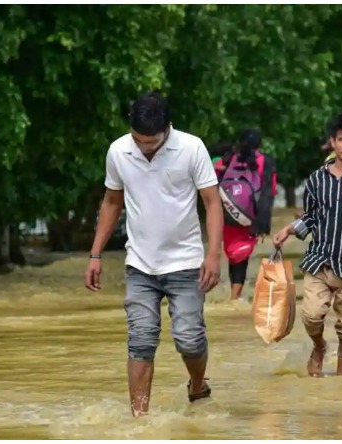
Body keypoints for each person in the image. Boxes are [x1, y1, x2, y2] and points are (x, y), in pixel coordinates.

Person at [85, 91, 223, 416]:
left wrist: (213, 254)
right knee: (141, 340)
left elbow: (212, 202)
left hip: (187, 263)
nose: (144, 147)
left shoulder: (191, 148)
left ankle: (198, 384)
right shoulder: (119, 151)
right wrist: (95, 254)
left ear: (168, 128)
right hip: (140, 264)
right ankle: (140, 421)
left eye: (152, 142)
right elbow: (112, 202)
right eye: (138, 140)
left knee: (189, 339)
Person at [272, 112, 342, 377]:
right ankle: (319, 346)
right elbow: (311, 217)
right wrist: (289, 229)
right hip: (320, 260)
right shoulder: (316, 179)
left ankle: (340, 384)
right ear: (332, 141)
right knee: (312, 316)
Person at [215, 129, 277, 301]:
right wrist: (263, 222)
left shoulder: (227, 159)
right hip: (250, 215)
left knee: (233, 254)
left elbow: (213, 179)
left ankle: (232, 294)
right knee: (242, 254)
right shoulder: (265, 161)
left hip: (228, 213)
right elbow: (269, 191)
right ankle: (236, 295)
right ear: (260, 144)